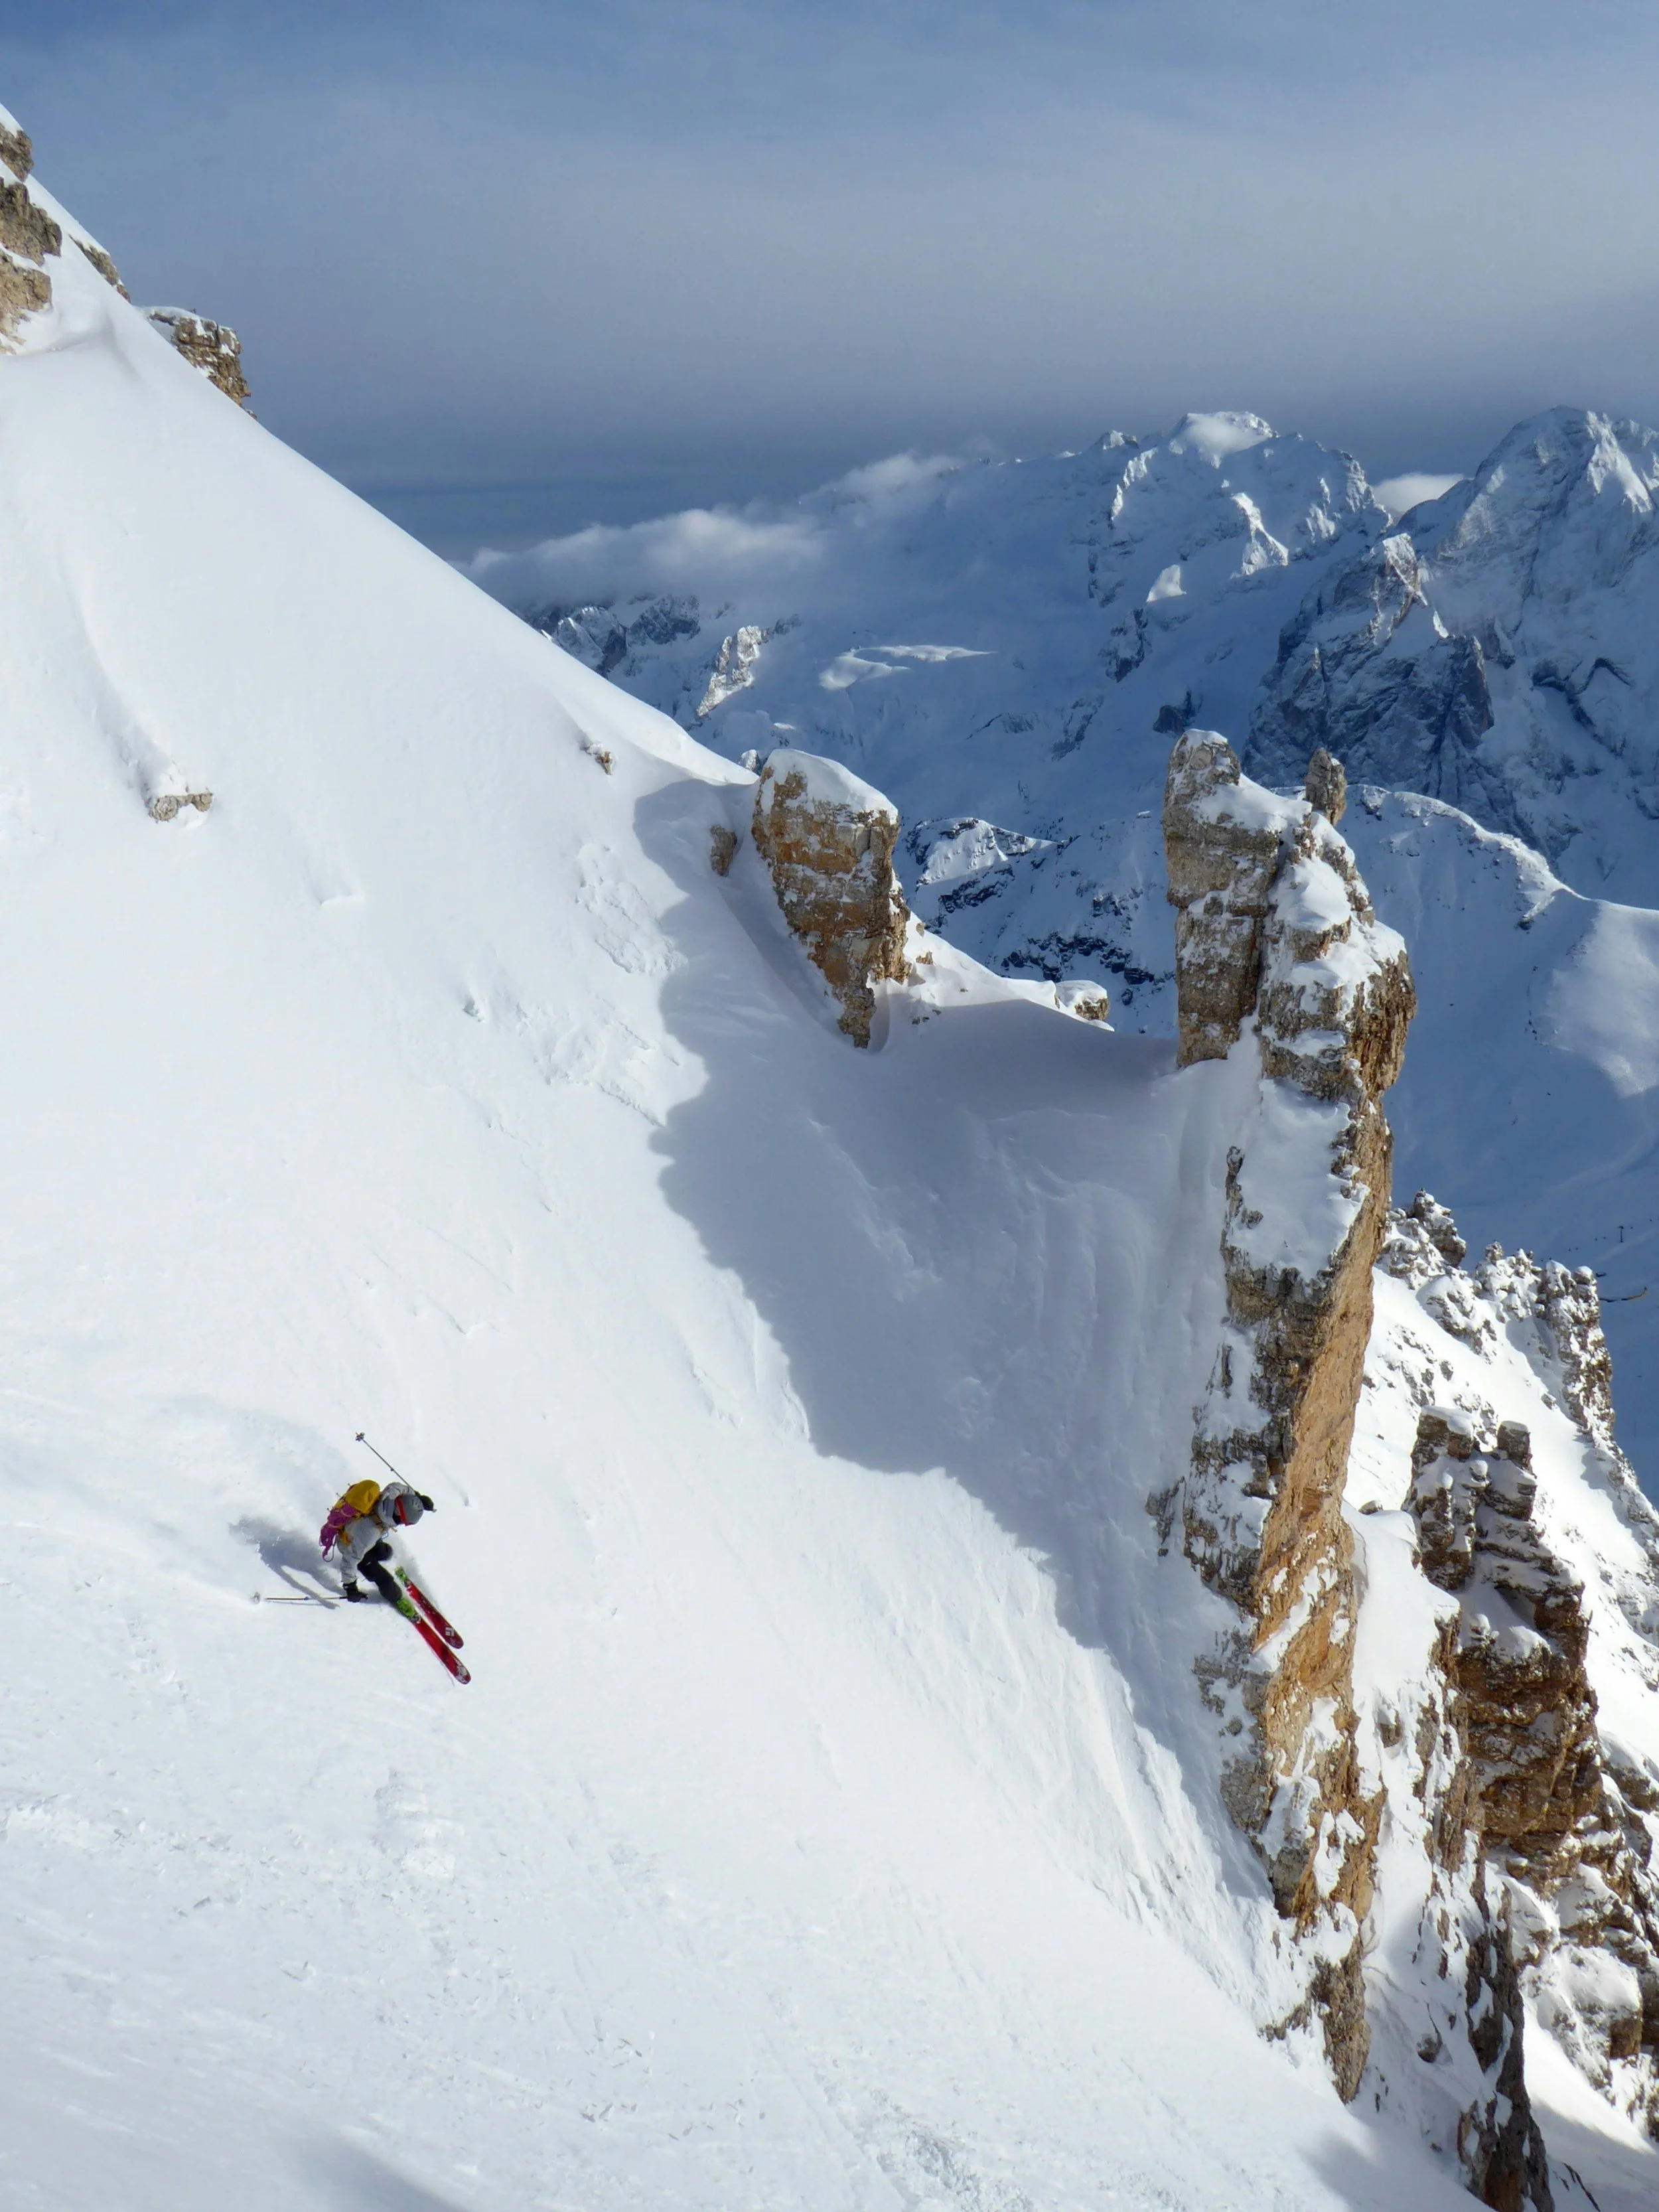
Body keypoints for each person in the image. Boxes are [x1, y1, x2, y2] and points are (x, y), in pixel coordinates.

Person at [326, 1477, 436, 1604]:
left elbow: (399, 1487)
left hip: (357, 1531)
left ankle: (373, 1563)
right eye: (405, 1522)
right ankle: (396, 1598)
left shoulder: (388, 1496)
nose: (403, 1525)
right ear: (399, 1516)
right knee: (384, 1579)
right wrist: (350, 1587)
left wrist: (418, 1498)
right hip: (349, 1544)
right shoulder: (369, 1532)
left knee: (385, 1552)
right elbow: (349, 1560)